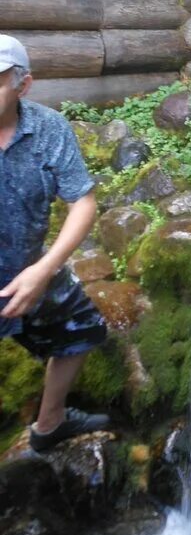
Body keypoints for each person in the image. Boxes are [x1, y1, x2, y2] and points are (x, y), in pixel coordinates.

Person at [0, 34, 111, 452]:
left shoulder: (48, 129)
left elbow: (82, 202)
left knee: (82, 329)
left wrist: (43, 271)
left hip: (30, 265)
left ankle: (49, 425)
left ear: (23, 85)